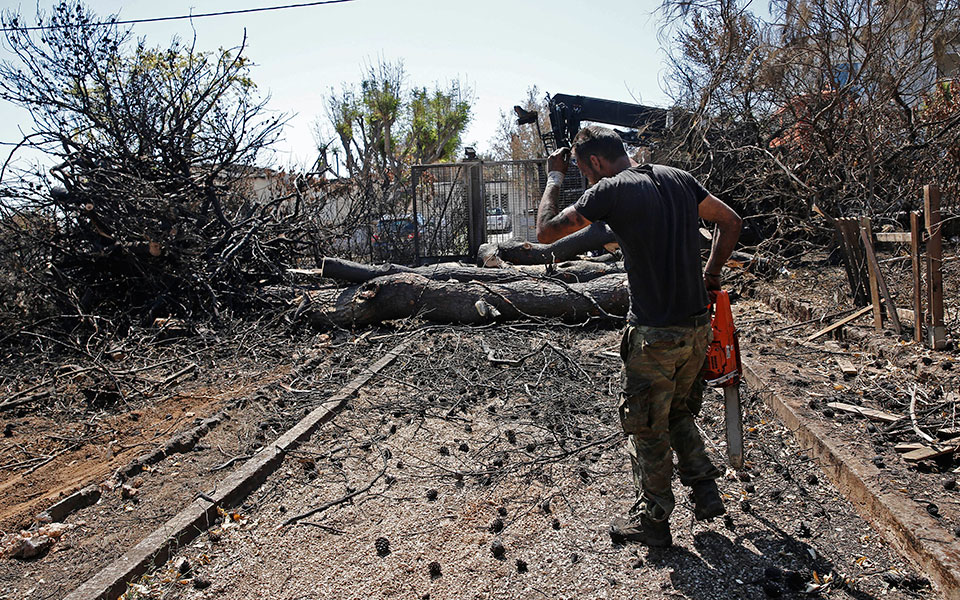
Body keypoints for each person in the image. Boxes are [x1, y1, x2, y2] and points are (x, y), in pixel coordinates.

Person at [536, 125, 742, 547]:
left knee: (646, 427)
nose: (586, 178)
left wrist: (554, 178)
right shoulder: (678, 178)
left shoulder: (609, 190)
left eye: (582, 169)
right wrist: (712, 273)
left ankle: (653, 522)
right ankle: (705, 489)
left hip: (653, 334)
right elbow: (731, 221)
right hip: (697, 326)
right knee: (680, 411)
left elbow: (545, 233)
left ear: (595, 161)